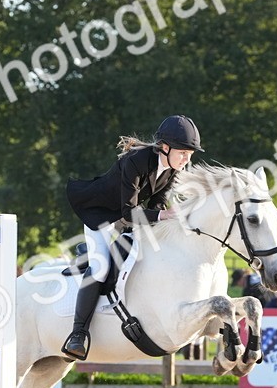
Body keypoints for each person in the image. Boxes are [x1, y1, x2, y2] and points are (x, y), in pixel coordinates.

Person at [60, 114, 201, 360]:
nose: (187, 159)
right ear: (165, 148)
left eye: (190, 154)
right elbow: (128, 212)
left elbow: (157, 204)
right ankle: (78, 334)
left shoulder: (172, 169)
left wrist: (170, 219)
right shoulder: (135, 161)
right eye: (183, 153)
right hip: (101, 216)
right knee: (100, 267)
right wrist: (166, 215)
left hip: (130, 219)